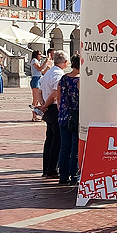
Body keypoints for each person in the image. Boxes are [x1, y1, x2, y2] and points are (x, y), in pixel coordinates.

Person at [38, 50, 69, 179]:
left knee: (49, 139)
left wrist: (43, 103)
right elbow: (56, 92)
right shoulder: (58, 74)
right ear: (65, 62)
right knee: (56, 140)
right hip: (54, 108)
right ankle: (52, 169)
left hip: (48, 107)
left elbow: (39, 91)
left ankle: (47, 168)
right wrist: (45, 105)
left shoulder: (48, 72)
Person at [57, 54, 81, 185]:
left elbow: (59, 97)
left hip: (64, 115)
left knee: (64, 147)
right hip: (76, 116)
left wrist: (62, 111)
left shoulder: (64, 78)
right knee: (74, 148)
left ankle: (63, 175)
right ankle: (74, 175)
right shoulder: (80, 80)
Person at [30, 49, 46, 121]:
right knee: (35, 99)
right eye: (39, 54)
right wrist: (45, 62)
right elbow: (39, 68)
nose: (40, 56)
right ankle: (34, 116)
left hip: (39, 78)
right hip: (35, 79)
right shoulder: (34, 60)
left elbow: (42, 71)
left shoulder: (37, 61)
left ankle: (37, 115)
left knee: (39, 98)